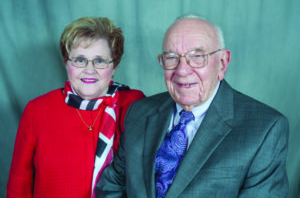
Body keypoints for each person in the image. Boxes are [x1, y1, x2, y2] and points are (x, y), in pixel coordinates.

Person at [95, 14, 289, 197]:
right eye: (172, 58)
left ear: (222, 63)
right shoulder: (138, 112)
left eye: (197, 56)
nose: (182, 70)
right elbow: (112, 185)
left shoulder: (264, 130)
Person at [6, 17, 145, 198]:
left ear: (114, 65)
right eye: (80, 60)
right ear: (66, 61)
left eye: (100, 61)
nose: (89, 70)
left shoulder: (134, 103)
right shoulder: (37, 111)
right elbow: (19, 185)